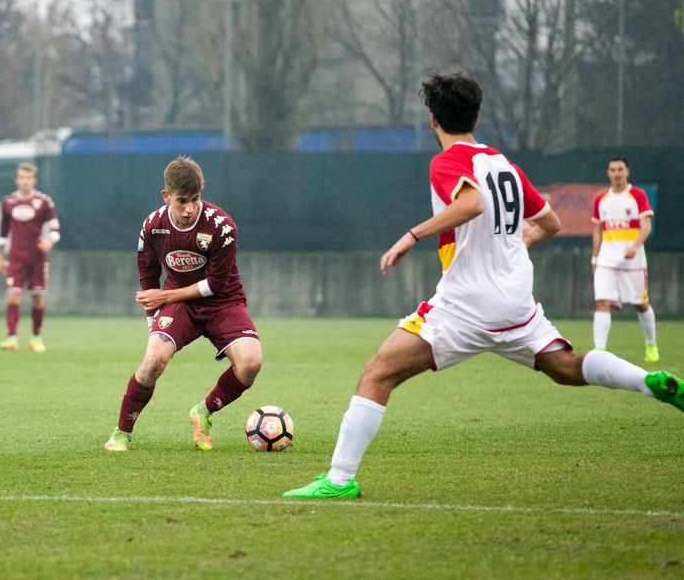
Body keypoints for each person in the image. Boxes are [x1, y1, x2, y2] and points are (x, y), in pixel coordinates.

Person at [284, 74, 682, 499]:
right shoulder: (501, 162)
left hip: (465, 305)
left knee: (378, 373)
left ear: (433, 120)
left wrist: (412, 235)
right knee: (565, 368)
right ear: (476, 115)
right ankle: (648, 381)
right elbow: (552, 223)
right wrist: (522, 238)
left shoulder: (447, 161)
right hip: (515, 304)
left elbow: (471, 203)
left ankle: (340, 479)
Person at [103, 156, 263, 452]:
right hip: (180, 305)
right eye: (182, 201)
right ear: (166, 197)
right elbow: (148, 276)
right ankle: (122, 433)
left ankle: (203, 411)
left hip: (223, 301)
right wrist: (153, 324)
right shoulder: (153, 226)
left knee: (251, 363)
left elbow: (214, 285)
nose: (189, 209)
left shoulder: (221, 226)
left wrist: (164, 297)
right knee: (153, 362)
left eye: (195, 199)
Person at [591, 158, 658, 362]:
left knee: (640, 304)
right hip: (606, 260)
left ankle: (651, 344)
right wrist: (595, 258)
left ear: (627, 171)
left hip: (633, 262)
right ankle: (599, 353)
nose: (616, 173)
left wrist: (634, 246)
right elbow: (597, 230)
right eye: (612, 169)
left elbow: (645, 227)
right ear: (608, 173)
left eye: (620, 169)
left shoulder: (637, 195)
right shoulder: (600, 198)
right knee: (602, 302)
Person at [0, 163, 60, 353]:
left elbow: (56, 228)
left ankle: (36, 338)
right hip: (15, 257)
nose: (25, 181)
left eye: (29, 178)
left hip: (38, 258)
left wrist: (50, 241)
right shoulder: (8, 202)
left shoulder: (44, 202)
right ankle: (11, 337)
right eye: (22, 177)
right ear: (16, 180)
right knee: (13, 295)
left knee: (38, 298)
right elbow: (3, 232)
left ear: (34, 180)